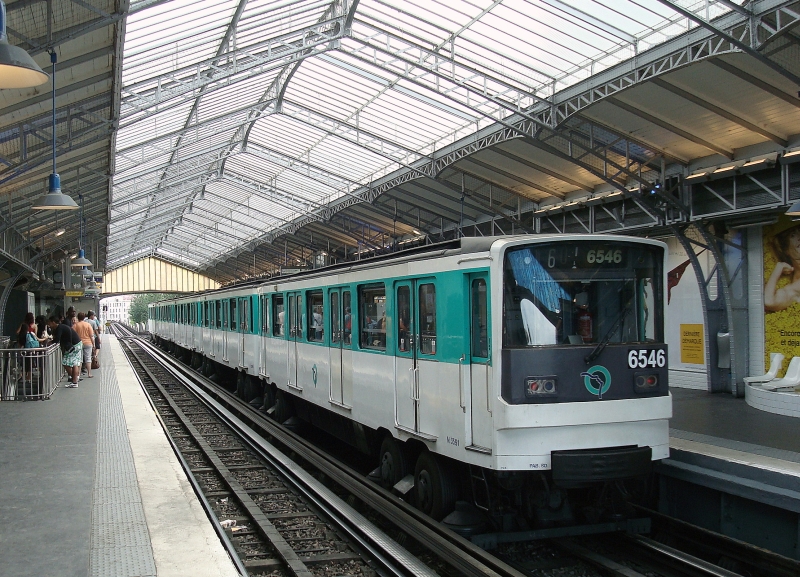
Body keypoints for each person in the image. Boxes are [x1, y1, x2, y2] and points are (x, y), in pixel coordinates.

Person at [765, 222, 800, 312]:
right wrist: (778, 268)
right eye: (793, 235)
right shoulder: (793, 290)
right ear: (785, 249)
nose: (799, 236)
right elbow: (769, 301)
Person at [48, 316, 82, 387]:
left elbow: (57, 339)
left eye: (50, 323)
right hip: (77, 343)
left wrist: (50, 342)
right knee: (75, 363)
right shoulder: (62, 327)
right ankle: (75, 380)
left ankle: (74, 379)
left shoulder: (60, 328)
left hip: (73, 345)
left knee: (65, 362)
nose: (49, 325)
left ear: (53, 322)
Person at [74, 312, 95, 378]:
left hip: (78, 343)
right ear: (84, 317)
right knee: (88, 358)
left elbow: (73, 334)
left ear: (78, 317)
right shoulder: (88, 325)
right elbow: (91, 335)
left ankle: (78, 374)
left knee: (79, 359)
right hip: (88, 343)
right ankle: (89, 374)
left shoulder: (75, 325)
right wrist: (93, 344)